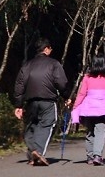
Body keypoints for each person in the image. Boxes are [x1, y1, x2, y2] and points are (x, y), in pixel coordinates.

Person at [13, 37, 68, 166]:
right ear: (46, 49)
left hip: (30, 101)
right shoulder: (54, 64)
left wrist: (18, 105)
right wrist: (66, 96)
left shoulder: (27, 65)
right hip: (48, 100)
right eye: (50, 48)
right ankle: (37, 151)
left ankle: (32, 153)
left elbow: (19, 85)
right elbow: (61, 82)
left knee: (31, 126)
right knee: (47, 124)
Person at [70, 55, 105, 166]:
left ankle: (90, 156)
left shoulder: (87, 77)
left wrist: (75, 106)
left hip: (88, 107)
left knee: (90, 132)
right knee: (100, 131)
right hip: (103, 107)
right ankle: (97, 156)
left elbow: (82, 93)